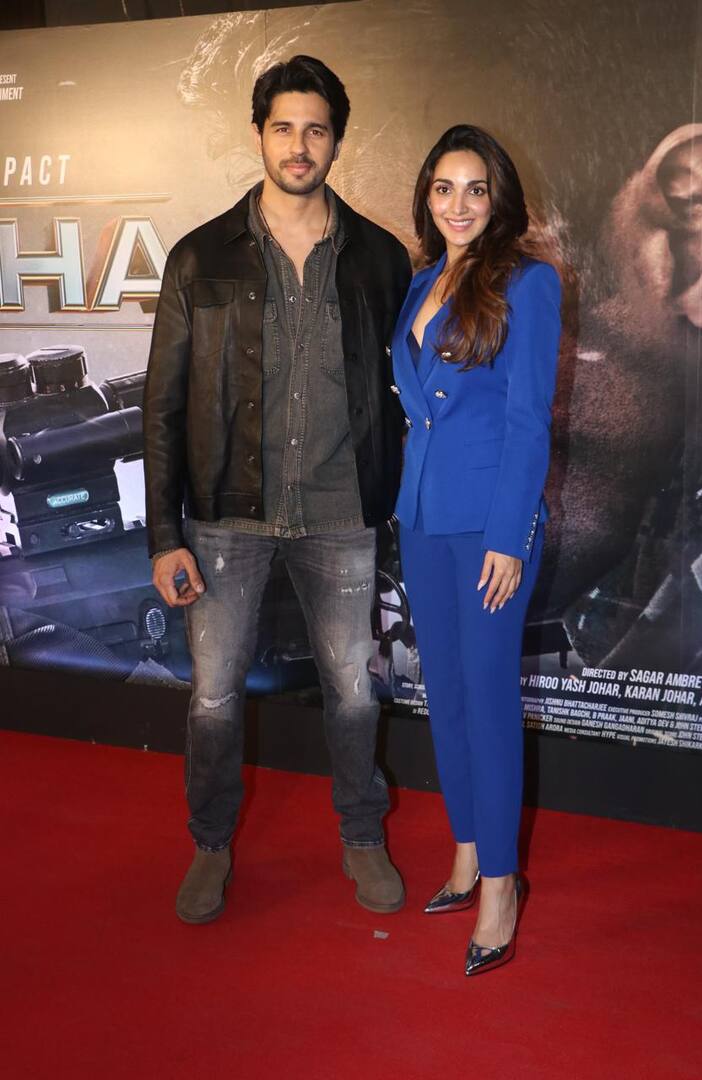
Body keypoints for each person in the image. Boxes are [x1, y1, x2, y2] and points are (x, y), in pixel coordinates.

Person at [143, 55, 411, 923]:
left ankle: (363, 835)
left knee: (354, 691)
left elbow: (402, 392)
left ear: (337, 140)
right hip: (228, 519)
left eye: (317, 129)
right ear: (259, 134)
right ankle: (211, 845)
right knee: (214, 698)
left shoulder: (377, 257)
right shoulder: (198, 258)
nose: (301, 146)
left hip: (341, 515)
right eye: (285, 127)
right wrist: (163, 535)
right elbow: (162, 405)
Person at [392, 125, 561, 974]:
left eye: (475, 189)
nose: (458, 205)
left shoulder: (527, 284)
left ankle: (500, 882)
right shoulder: (423, 279)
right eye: (443, 188)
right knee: (445, 696)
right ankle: (465, 850)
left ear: (498, 198)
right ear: (426, 196)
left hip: (488, 528)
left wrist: (509, 538)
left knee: (489, 700)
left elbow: (530, 421)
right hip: (421, 519)